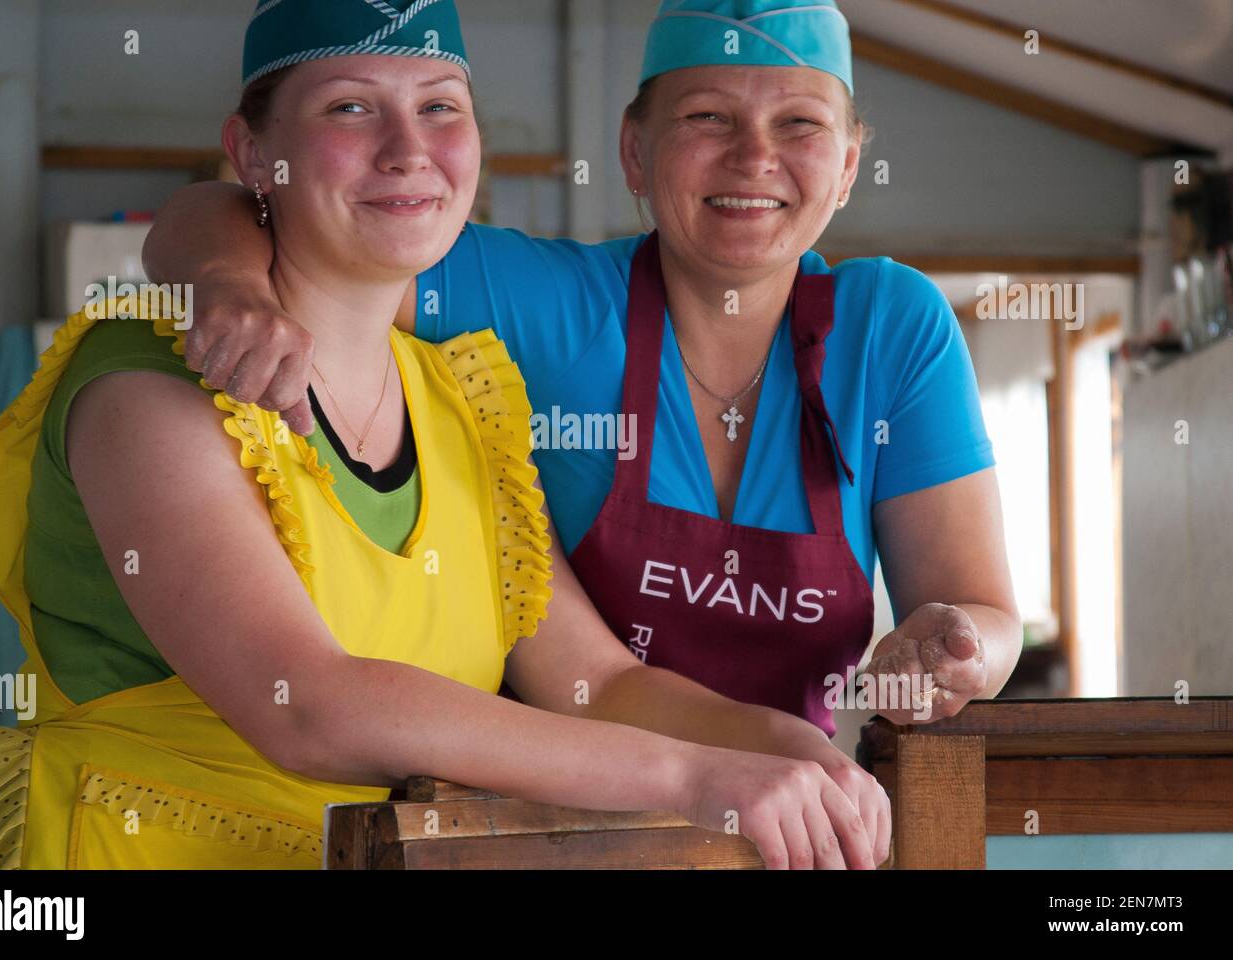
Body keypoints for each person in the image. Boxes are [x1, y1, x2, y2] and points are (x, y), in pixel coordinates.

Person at [0, 0, 894, 871]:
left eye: (441, 107)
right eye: (350, 109)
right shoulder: (148, 383)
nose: (408, 149)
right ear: (250, 153)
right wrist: (692, 780)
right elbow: (307, 705)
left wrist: (782, 745)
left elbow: (598, 679)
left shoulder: (463, 404)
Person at [142, 0, 1022, 735]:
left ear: (847, 169)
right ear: (635, 153)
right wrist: (223, 284)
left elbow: (981, 612)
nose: (754, 158)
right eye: (707, 117)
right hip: (544, 827)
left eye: (800, 124)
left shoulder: (892, 328)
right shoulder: (544, 302)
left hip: (802, 816)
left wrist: (956, 648)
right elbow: (257, 211)